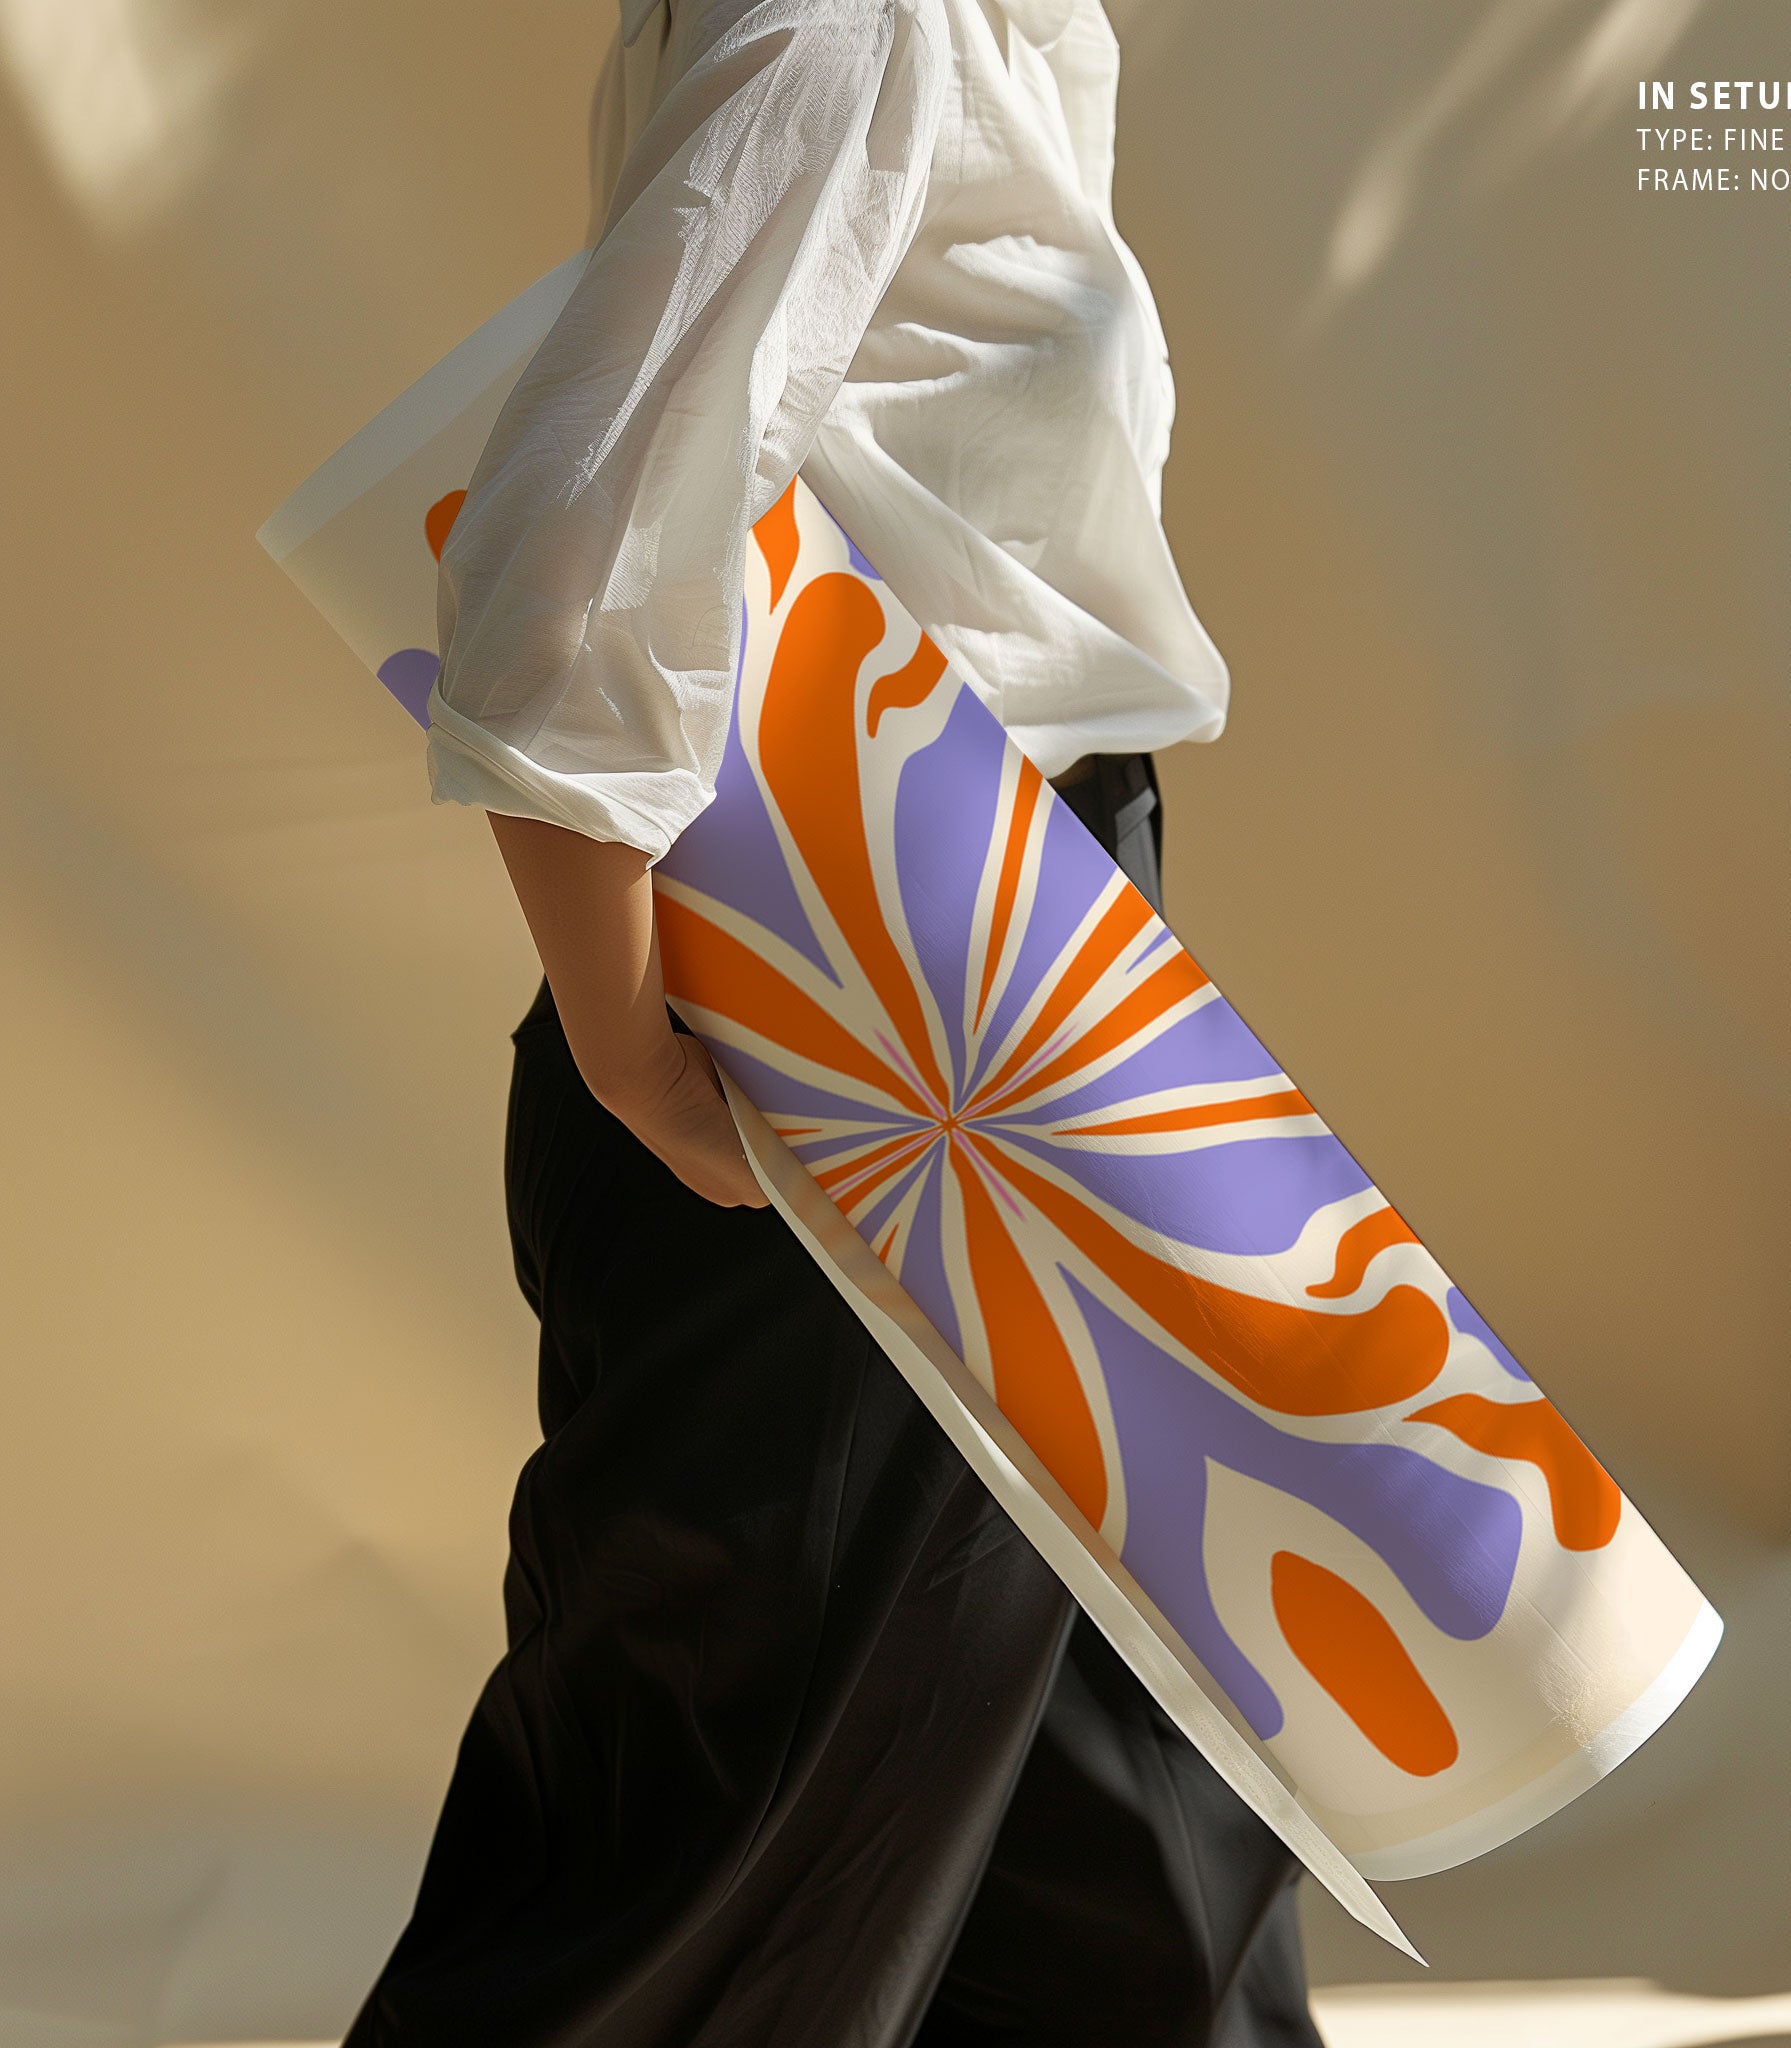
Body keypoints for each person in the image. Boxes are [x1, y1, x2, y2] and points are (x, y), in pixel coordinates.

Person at [342, 3, 1319, 2042]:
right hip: (862, 971)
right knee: (693, 1853)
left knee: (1134, 1826)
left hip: (1026, 929)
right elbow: (573, 536)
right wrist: (629, 1046)